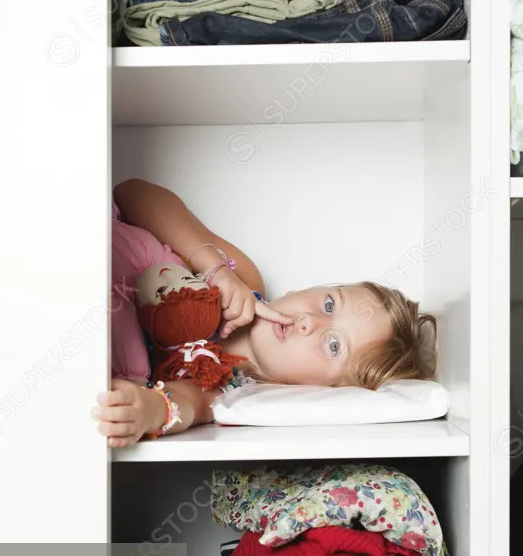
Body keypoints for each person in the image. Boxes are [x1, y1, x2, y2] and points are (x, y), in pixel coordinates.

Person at [94, 178, 437, 447]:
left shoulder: (226, 390)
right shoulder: (243, 276)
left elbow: (186, 405)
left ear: (320, 389)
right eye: (329, 304)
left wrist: (146, 410)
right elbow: (132, 193)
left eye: (334, 344)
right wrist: (215, 269)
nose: (310, 323)